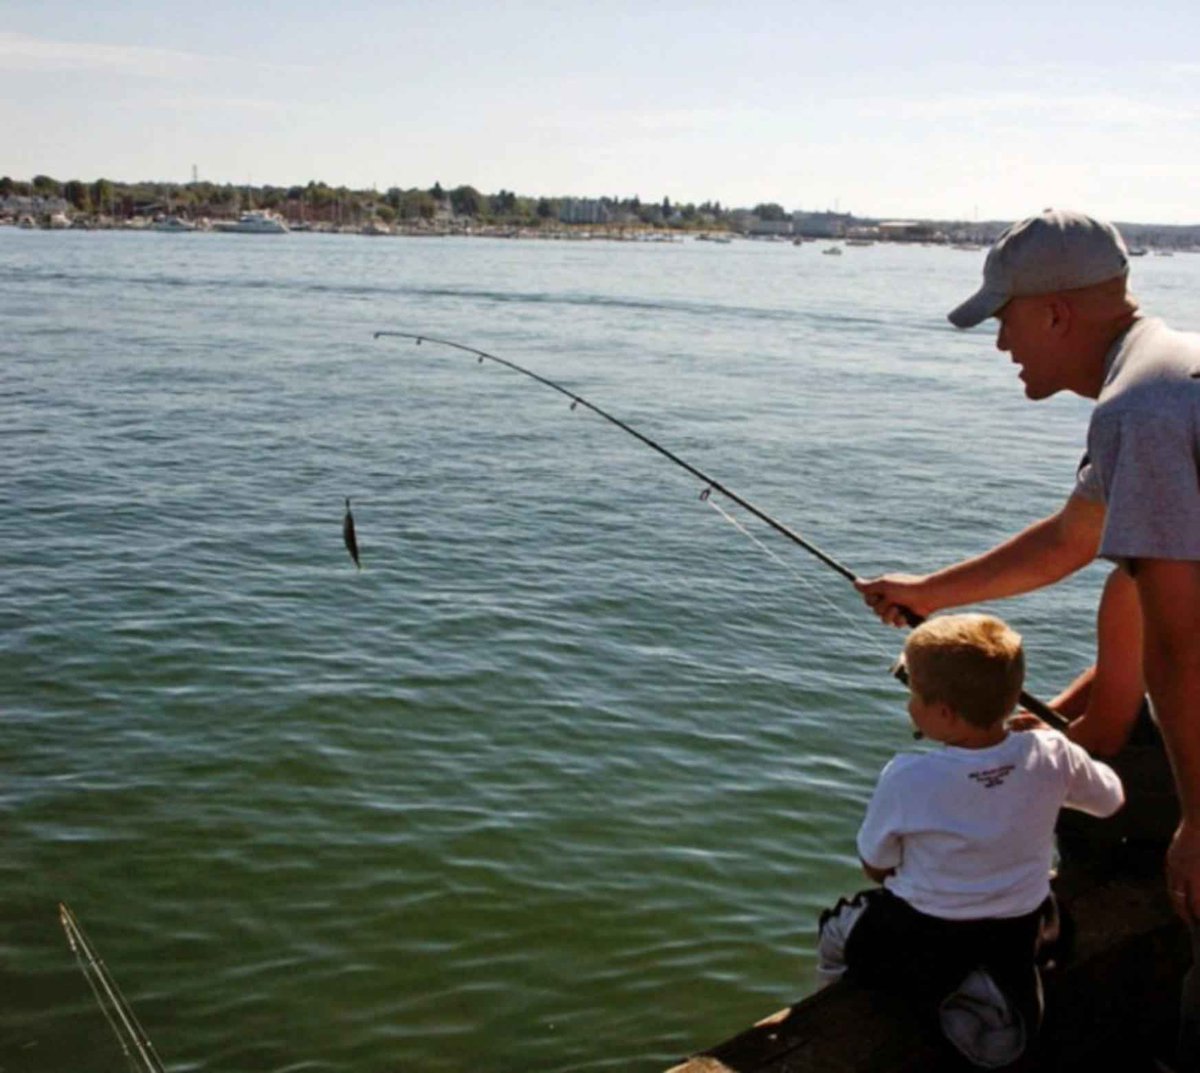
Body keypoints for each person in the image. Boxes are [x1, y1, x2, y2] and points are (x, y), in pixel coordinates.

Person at [855, 208, 1200, 1062]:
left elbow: (1179, 645)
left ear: (1055, 312)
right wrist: (927, 594)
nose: (1002, 343)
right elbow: (1073, 538)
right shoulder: (1166, 373)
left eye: (1003, 319)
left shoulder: (1139, 411)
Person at [817, 614, 1123, 1063]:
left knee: (835, 928)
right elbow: (1110, 800)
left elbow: (875, 866)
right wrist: (1057, 748)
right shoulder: (1051, 751)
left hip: (923, 933)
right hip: (1018, 928)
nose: (909, 703)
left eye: (913, 693)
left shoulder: (908, 776)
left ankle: (835, 1010)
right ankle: (982, 985)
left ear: (944, 713)